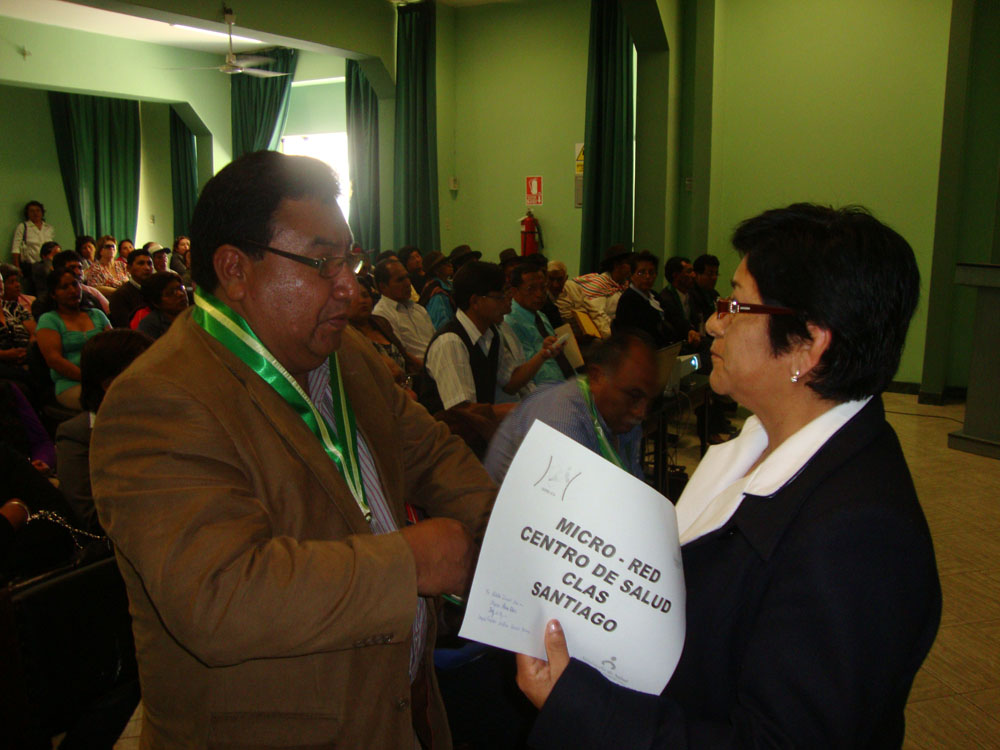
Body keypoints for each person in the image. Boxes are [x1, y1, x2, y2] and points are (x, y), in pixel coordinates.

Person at [90, 151, 495, 748]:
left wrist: (513, 538)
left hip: (398, 706)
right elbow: (218, 598)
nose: (349, 285)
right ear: (235, 269)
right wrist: (409, 563)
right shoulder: (159, 401)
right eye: (323, 262)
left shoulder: (344, 353)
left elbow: (433, 456)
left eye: (350, 259)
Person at [516, 203, 941, 749]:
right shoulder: (764, 441)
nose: (715, 322)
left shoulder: (858, 534)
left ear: (809, 344)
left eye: (736, 305)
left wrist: (583, 707)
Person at [485, 331, 658, 484]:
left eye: (647, 399)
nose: (641, 412)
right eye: (634, 396)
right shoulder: (560, 423)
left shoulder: (620, 418)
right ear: (597, 377)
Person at [424, 260, 556, 413]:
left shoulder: (490, 333)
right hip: (453, 427)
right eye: (500, 297)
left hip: (482, 425)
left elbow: (511, 383)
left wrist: (543, 355)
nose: (507, 305)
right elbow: (463, 411)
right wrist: (524, 409)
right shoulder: (450, 342)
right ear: (475, 301)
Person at [56, 329, 153, 533]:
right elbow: (90, 515)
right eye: (148, 370)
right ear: (110, 385)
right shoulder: (77, 436)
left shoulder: (163, 418)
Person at [36, 268, 112, 409]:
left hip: (106, 380)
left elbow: (115, 347)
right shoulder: (49, 320)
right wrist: (90, 379)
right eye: (64, 287)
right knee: (107, 402)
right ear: (53, 294)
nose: (72, 290)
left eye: (75, 284)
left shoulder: (97, 314)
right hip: (71, 384)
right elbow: (54, 360)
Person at [504, 263, 573, 387]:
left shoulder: (540, 315)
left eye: (543, 287)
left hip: (565, 383)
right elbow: (531, 373)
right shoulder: (510, 322)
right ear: (514, 291)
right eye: (531, 289)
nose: (540, 294)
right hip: (545, 390)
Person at [348, 282, 420, 388]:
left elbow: (403, 353)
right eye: (354, 298)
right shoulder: (348, 337)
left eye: (365, 295)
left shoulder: (380, 322)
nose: (362, 301)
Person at [557, 245, 633, 338]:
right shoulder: (600, 284)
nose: (631, 267)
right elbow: (597, 315)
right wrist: (614, 335)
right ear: (617, 265)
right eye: (628, 263)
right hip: (608, 334)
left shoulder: (624, 286)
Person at [372, 258, 436, 364]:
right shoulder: (382, 315)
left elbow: (435, 341)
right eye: (400, 280)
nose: (408, 283)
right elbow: (402, 356)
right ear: (383, 287)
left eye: (407, 277)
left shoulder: (418, 309)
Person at [613, 250, 678, 347]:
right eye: (641, 273)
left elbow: (672, 317)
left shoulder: (654, 295)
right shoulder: (628, 300)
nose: (647, 277)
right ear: (632, 275)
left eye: (651, 272)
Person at [659, 256, 702, 348]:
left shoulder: (694, 295)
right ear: (676, 275)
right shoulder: (665, 298)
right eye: (689, 271)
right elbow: (677, 322)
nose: (693, 275)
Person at [11, 200, 56, 290]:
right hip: (30, 266)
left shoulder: (48, 228)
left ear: (42, 212)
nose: (35, 213)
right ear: (27, 214)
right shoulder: (23, 227)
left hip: (47, 265)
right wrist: (17, 267)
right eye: (32, 211)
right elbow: (16, 248)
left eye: (38, 210)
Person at [107, 248, 154, 327]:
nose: (147, 268)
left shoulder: (157, 291)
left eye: (149, 264)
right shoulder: (120, 295)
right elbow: (125, 327)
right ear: (128, 268)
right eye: (141, 263)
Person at [137, 271, 188, 339]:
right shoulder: (150, 325)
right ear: (156, 303)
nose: (181, 294)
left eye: (181, 288)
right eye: (171, 293)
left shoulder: (194, 313)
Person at [418, 250, 456, 330]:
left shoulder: (451, 284)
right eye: (445, 263)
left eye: (449, 261)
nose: (450, 264)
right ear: (436, 270)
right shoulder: (436, 293)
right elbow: (441, 326)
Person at [542, 259, 567, 330]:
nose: (555, 285)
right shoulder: (544, 303)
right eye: (551, 279)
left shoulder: (573, 290)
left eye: (559, 279)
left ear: (566, 279)